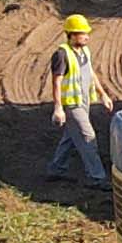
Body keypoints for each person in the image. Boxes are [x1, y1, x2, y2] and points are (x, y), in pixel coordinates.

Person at [48, 12, 107, 184]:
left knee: (71, 137)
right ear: (72, 35)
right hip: (72, 105)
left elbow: (91, 73)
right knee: (88, 137)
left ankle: (56, 169)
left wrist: (103, 94)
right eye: (83, 33)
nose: (87, 37)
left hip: (84, 102)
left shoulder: (84, 52)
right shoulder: (61, 54)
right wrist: (58, 108)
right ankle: (97, 177)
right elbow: (56, 82)